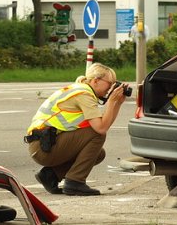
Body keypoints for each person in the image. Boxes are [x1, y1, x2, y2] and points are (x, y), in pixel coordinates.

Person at [25, 63, 127, 196]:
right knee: (97, 134)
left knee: (98, 153)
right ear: (96, 81)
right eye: (110, 83)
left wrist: (117, 103)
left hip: (46, 144)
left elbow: (104, 125)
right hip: (43, 147)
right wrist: (112, 102)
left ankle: (51, 175)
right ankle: (75, 182)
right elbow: (101, 128)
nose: (111, 88)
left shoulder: (81, 90)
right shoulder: (84, 94)